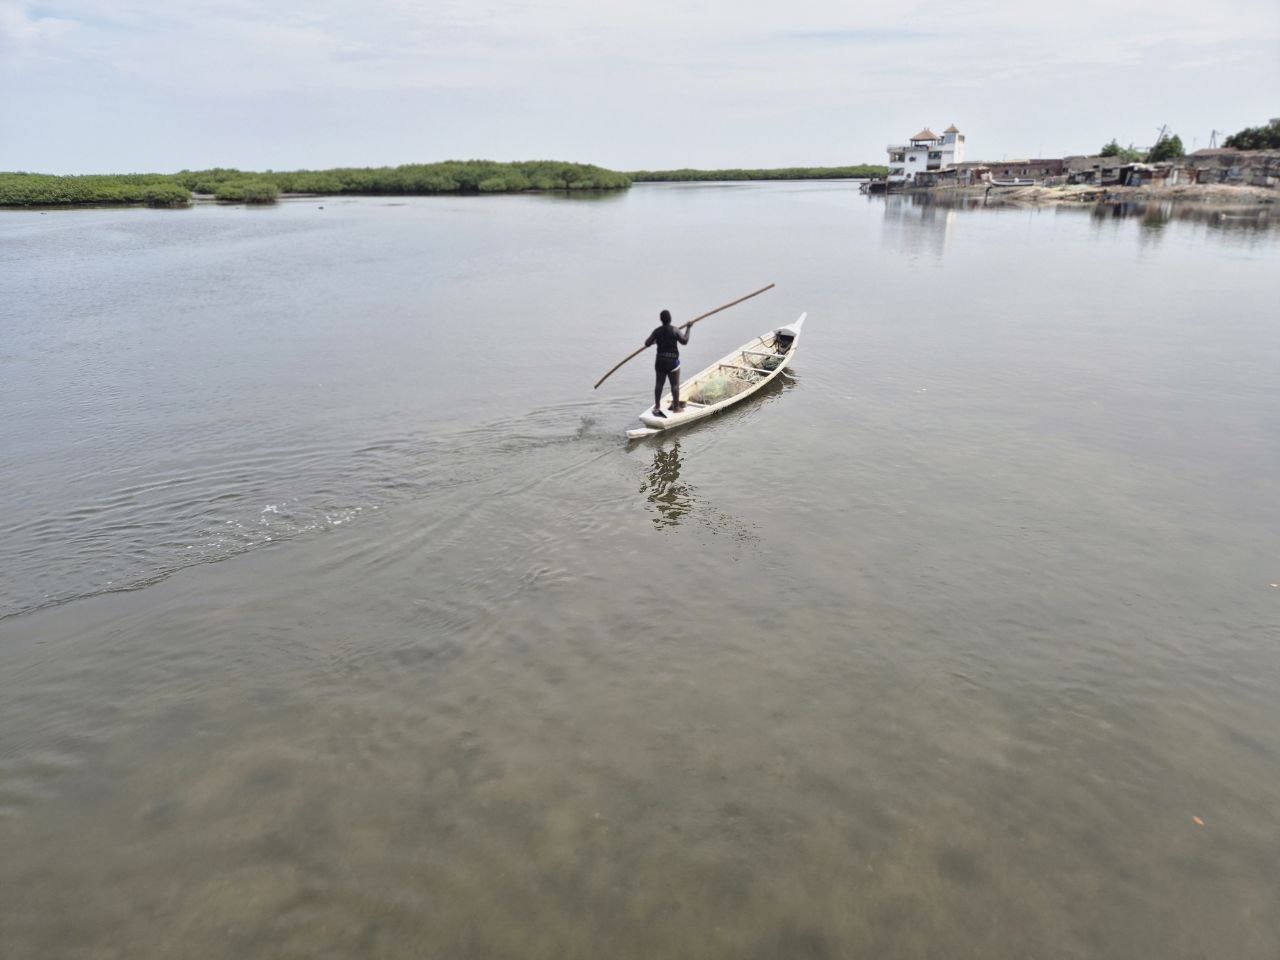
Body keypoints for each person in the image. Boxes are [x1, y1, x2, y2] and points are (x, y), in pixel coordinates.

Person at [644, 309, 690, 417]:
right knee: (674, 385)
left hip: (660, 362)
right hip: (672, 362)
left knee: (659, 384)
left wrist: (655, 341)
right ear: (670, 319)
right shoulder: (675, 330)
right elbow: (685, 341)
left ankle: (657, 406)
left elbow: (647, 343)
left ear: (661, 320)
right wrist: (688, 328)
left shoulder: (657, 331)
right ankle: (677, 408)